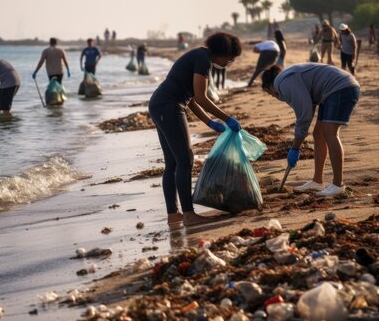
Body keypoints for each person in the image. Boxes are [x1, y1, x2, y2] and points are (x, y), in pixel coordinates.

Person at [148, 32, 243, 226]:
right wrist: (227, 118)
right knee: (185, 160)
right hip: (169, 106)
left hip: (161, 104)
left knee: (173, 163)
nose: (230, 62)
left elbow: (190, 97)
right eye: (230, 58)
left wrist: (208, 122)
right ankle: (189, 214)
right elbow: (201, 97)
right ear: (222, 52)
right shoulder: (203, 60)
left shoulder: (199, 55)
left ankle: (173, 215)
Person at [261, 64, 360, 196]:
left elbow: (304, 116)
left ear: (270, 87)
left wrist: (295, 147)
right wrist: (299, 139)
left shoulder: (283, 83)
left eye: (270, 94)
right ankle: (317, 181)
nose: (275, 97)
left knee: (330, 133)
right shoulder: (286, 78)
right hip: (331, 91)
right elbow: (309, 105)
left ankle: (338, 185)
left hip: (341, 88)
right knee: (318, 134)